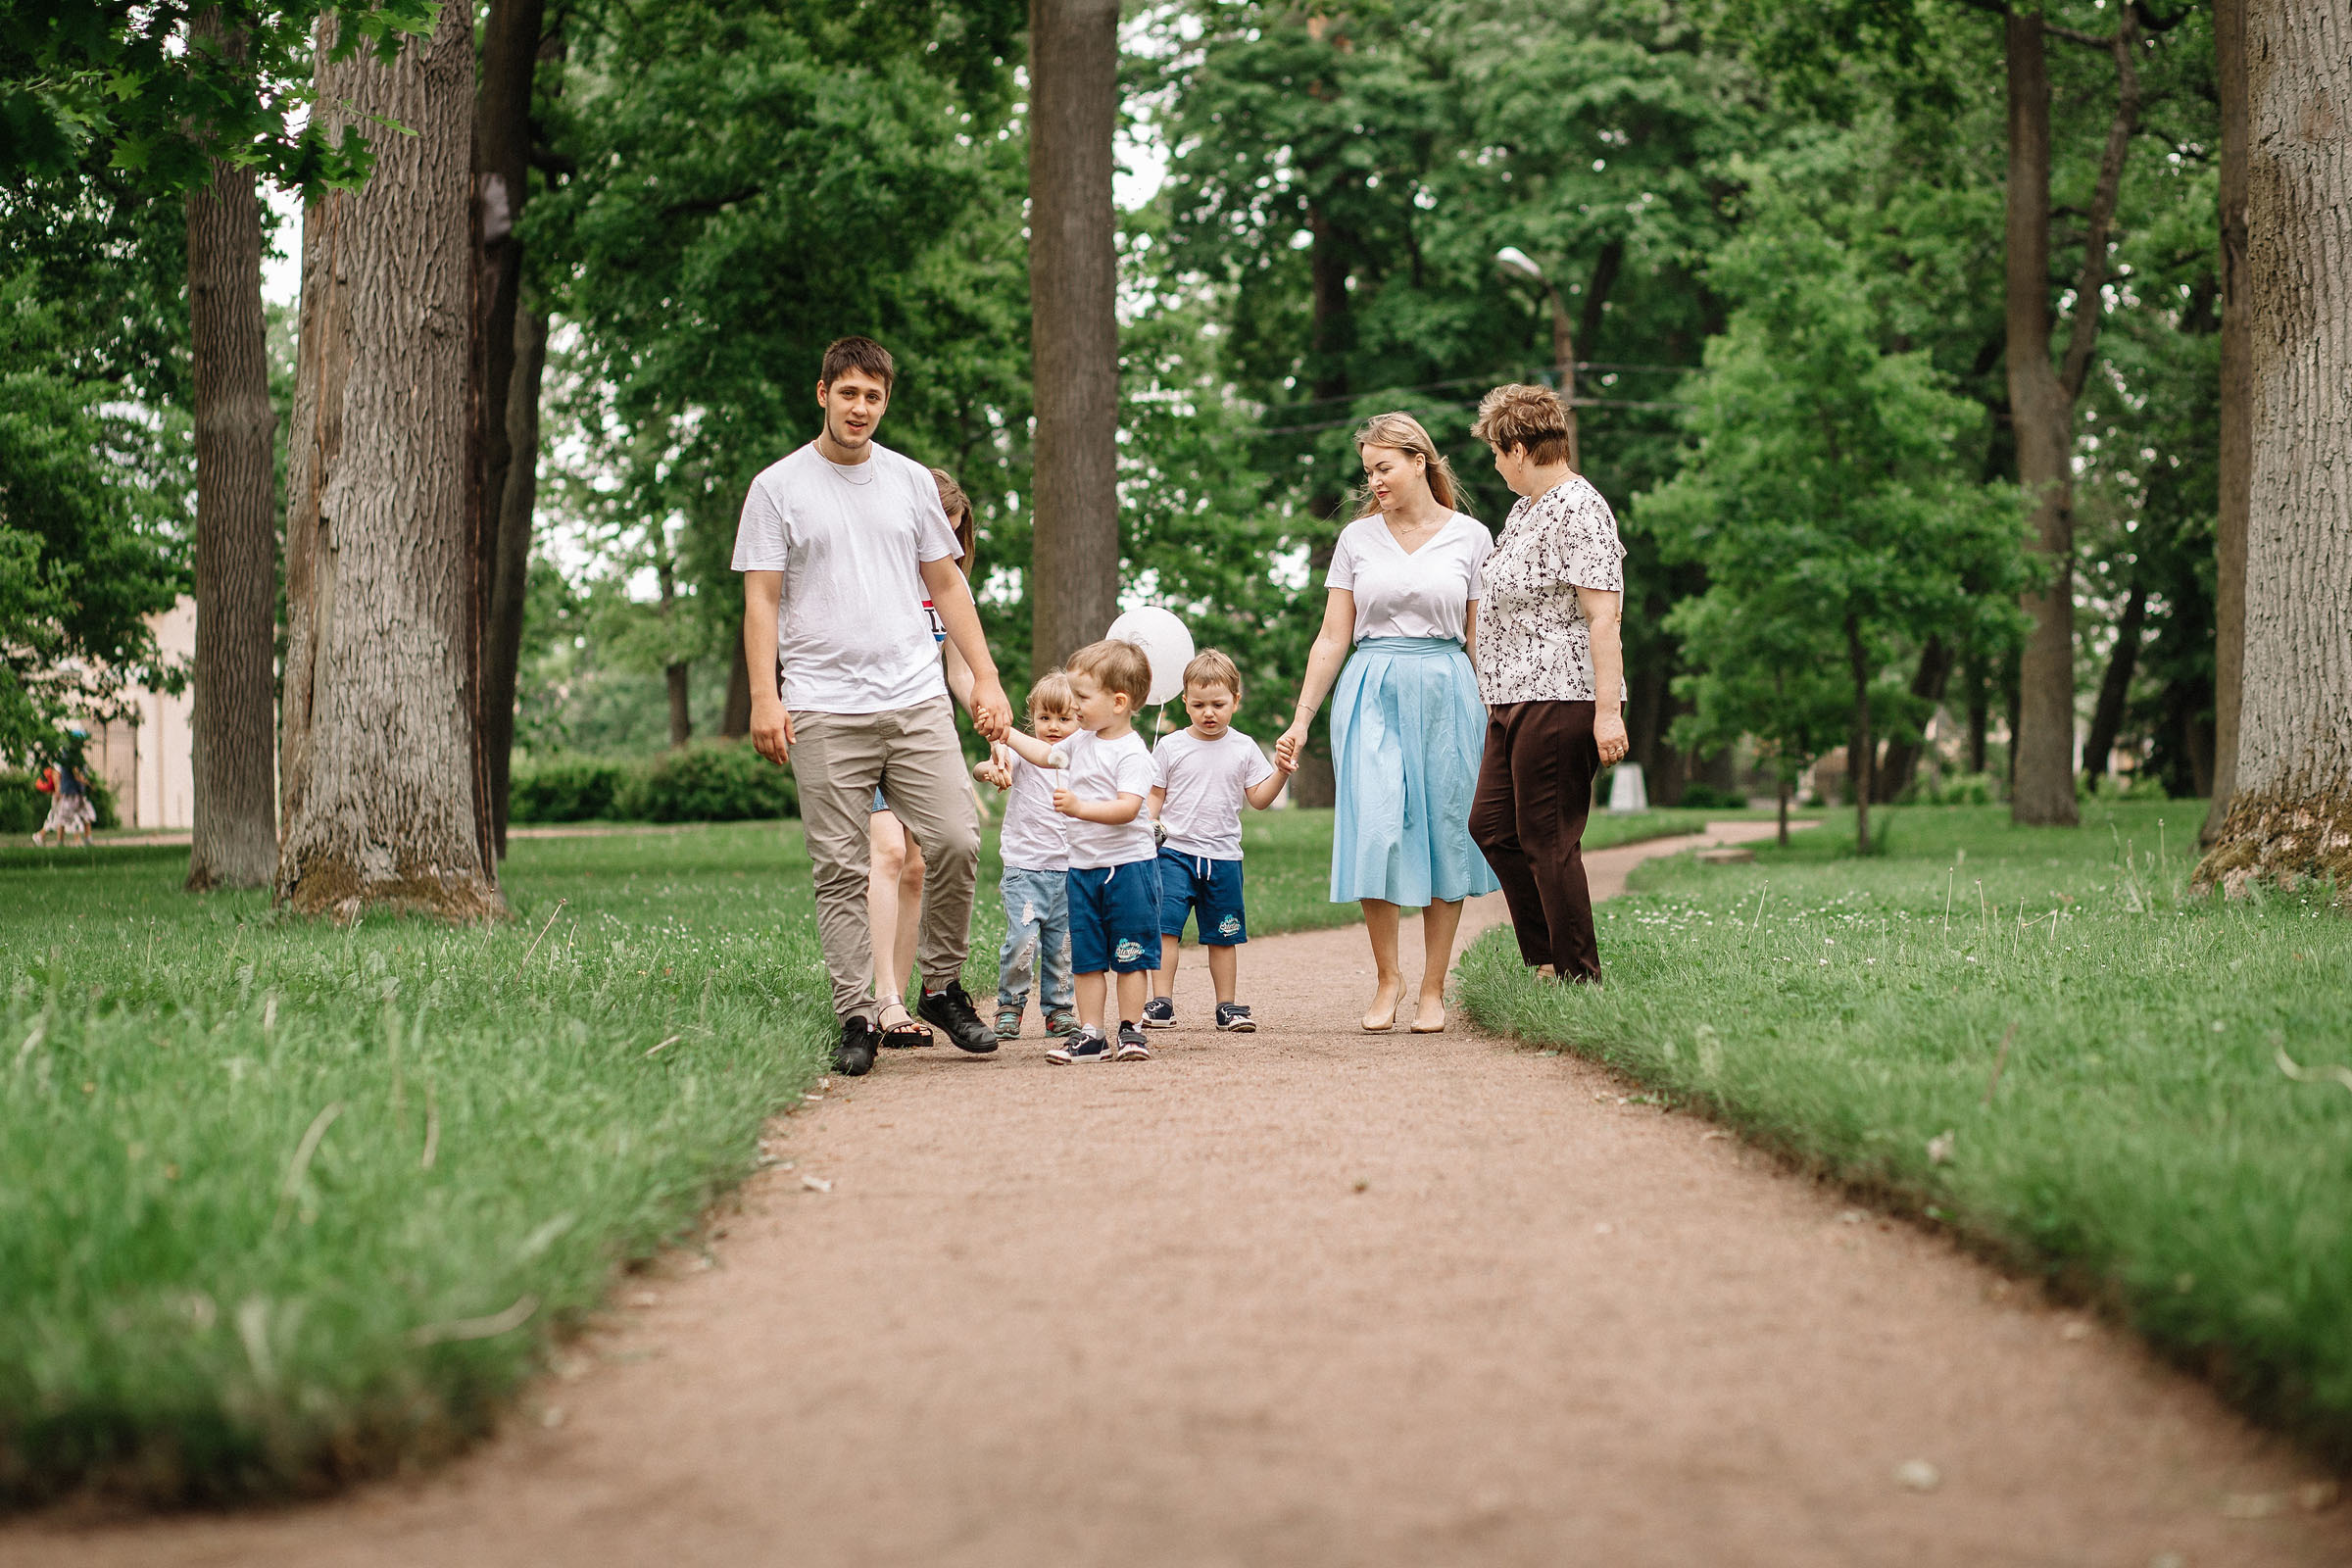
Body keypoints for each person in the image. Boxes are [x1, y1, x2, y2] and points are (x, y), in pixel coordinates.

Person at [736, 335, 1012, 1077]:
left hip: (915, 696)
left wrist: (984, 676)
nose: (861, 408)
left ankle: (943, 987)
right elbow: (761, 599)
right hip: (824, 705)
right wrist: (766, 696)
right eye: (848, 392)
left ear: (886, 403)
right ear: (821, 392)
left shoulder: (911, 483)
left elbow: (948, 584)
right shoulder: (778, 487)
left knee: (955, 838)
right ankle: (856, 1014)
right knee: (840, 868)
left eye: (874, 396)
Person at [1274, 412, 1498, 1034]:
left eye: (1384, 467)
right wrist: (1301, 719)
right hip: (1369, 688)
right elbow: (1331, 636)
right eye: (1367, 470)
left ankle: (1432, 988)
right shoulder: (1357, 541)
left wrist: (1498, 711)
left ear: (1418, 461)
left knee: (1445, 831)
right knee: (1376, 827)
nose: (1373, 480)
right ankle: (1387, 979)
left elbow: (1481, 637)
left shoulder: (1472, 538)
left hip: (1448, 690)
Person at [1464, 383, 1629, 984]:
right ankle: (1547, 958)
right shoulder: (1524, 511)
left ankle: (1579, 974)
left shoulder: (1582, 510)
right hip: (1511, 697)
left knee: (1549, 839)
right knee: (1491, 827)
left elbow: (1602, 616)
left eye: (1496, 452)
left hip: (1563, 694)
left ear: (1519, 446)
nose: (1496, 464)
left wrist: (1607, 713)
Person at [998, 639, 1158, 1065]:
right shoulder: (1079, 741)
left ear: (1119, 702)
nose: (1075, 706)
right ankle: (1090, 1033)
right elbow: (1044, 754)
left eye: (1082, 698)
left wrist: (1079, 808)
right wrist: (1006, 733)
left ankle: (1132, 1030)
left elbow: (1128, 808)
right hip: (1083, 869)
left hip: (1128, 869)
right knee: (1086, 958)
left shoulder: (1132, 753)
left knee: (1129, 955)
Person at [868, 466, 984, 1047]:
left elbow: (960, 672)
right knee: (888, 852)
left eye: (955, 533)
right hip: (868, 728)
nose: (943, 544)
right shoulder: (874, 579)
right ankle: (882, 1003)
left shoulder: (948, 593)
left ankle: (916, 997)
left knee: (918, 867)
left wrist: (993, 723)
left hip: (924, 737)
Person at [1142, 649, 1293, 1034]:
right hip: (1174, 853)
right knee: (1166, 928)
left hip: (1223, 857)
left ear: (1236, 701)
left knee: (1224, 935)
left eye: (1218, 704)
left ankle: (1227, 1006)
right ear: (1185, 704)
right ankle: (1161, 1002)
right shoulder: (1171, 746)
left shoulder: (1243, 747)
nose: (1209, 712)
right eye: (1199, 704)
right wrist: (1150, 819)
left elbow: (1258, 799)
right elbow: (1155, 792)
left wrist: (1280, 772)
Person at [972, 671, 1082, 1042]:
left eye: (1064, 719)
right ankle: (1010, 1005)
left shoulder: (1081, 761)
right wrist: (991, 769)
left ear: (1081, 719)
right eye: (1044, 718)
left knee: (1062, 945)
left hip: (1069, 870)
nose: (1053, 727)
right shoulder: (1023, 755)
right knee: (1023, 941)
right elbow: (982, 766)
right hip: (1025, 868)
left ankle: (1059, 1010)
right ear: (1031, 719)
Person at [34, 732, 96, 849]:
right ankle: (59, 842)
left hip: (78, 792)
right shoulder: (68, 756)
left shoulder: (77, 756)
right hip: (69, 792)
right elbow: (71, 774)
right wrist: (88, 783)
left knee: (85, 815)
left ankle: (88, 840)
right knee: (63, 818)